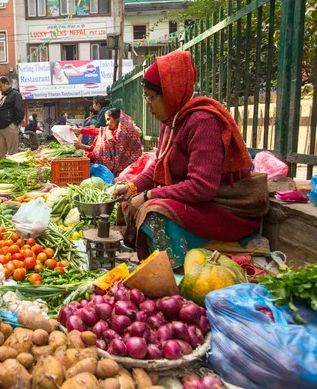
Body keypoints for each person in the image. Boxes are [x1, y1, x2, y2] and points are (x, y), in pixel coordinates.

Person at [113, 51, 269, 269]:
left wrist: (149, 194)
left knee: (153, 211)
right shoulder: (171, 120)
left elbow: (201, 187)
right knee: (129, 203)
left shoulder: (202, 121)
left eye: (151, 97)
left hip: (222, 207)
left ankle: (173, 267)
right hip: (197, 201)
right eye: (145, 97)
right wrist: (132, 186)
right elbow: (159, 166)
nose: (147, 104)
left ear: (170, 92)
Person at [73, 108, 142, 177]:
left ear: (118, 118)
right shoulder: (111, 131)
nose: (106, 123)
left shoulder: (127, 132)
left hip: (124, 168)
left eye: (109, 119)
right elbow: (97, 132)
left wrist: (82, 146)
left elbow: (103, 151)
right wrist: (79, 130)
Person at [0, 77, 25, 162]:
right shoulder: (1, 94)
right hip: (0, 127)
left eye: (0, 86)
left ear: (6, 84)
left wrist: (15, 124)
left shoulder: (15, 94)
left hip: (10, 126)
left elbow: (20, 110)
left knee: (12, 151)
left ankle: (12, 168)